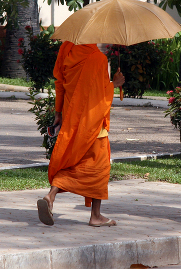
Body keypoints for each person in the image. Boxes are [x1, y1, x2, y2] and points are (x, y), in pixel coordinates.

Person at [37, 41, 125, 227]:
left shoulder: (66, 50)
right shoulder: (98, 58)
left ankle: (50, 196)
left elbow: (59, 84)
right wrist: (114, 84)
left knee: (74, 163)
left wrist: (58, 113)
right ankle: (96, 216)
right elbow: (99, 94)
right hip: (92, 122)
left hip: (71, 117)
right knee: (99, 168)